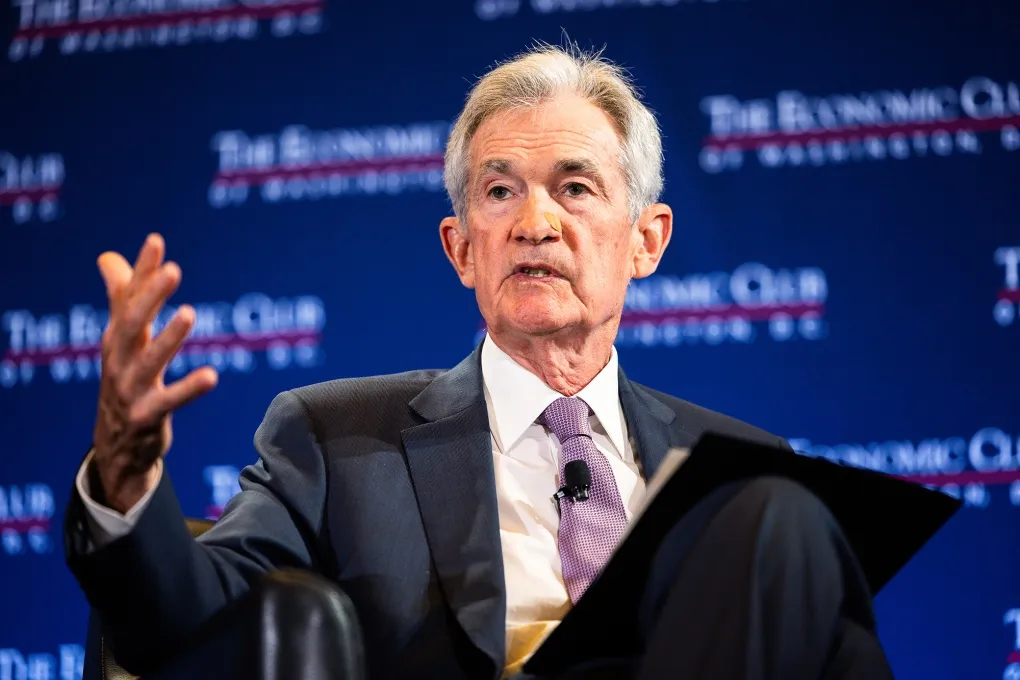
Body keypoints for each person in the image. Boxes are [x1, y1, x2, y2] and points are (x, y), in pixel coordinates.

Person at [64, 43, 893, 680]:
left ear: (647, 240)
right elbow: (194, 627)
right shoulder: (335, 439)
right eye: (501, 192)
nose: (535, 222)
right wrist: (127, 485)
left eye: (575, 187)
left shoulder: (740, 471)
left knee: (778, 510)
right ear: (462, 250)